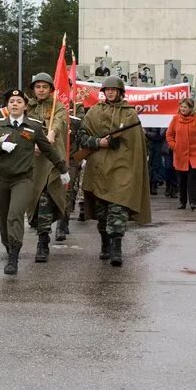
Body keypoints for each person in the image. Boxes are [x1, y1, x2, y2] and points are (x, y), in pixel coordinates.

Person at [0, 89, 69, 275]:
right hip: (1, 179)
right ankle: (8, 246)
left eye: (19, 101)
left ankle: (14, 255)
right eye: (11, 101)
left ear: (25, 106)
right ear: (7, 105)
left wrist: (63, 168)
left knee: (15, 215)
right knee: (3, 218)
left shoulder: (33, 126)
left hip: (23, 179)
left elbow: (48, 150)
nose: (14, 104)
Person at [78, 76, 151, 266]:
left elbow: (137, 144)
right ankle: (105, 244)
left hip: (122, 168)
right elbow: (82, 136)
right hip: (99, 168)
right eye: (107, 90)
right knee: (102, 214)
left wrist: (120, 141)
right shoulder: (94, 111)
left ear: (120, 92)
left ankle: (117, 248)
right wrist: (97, 142)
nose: (110, 92)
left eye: (113, 89)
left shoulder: (130, 115)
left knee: (118, 210)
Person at [27, 72, 69, 262]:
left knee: (45, 198)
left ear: (51, 89)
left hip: (51, 161)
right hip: (30, 162)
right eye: (38, 87)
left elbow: (59, 122)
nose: (41, 90)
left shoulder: (57, 107)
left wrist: (51, 133)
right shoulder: (27, 107)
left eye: (45, 87)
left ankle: (43, 243)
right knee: (32, 202)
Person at [166, 98, 196, 210]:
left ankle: (193, 201)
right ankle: (182, 201)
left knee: (193, 177)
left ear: (191, 109)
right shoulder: (175, 119)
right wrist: (174, 146)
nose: (183, 109)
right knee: (182, 179)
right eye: (181, 107)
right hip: (180, 153)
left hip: (195, 153)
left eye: (185, 107)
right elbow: (169, 134)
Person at [144, 127, 165, 195]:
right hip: (148, 143)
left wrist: (146, 133)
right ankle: (150, 184)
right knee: (149, 165)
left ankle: (153, 184)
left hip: (157, 144)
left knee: (155, 165)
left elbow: (161, 135)